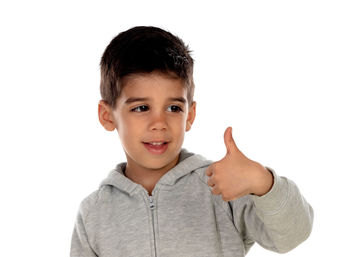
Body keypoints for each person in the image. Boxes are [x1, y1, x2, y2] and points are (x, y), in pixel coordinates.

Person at [70, 26, 313, 257]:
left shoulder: (220, 186)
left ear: (190, 115)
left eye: (174, 107)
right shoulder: (94, 213)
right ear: (107, 115)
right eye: (141, 107)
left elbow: (291, 236)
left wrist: (263, 183)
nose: (159, 122)